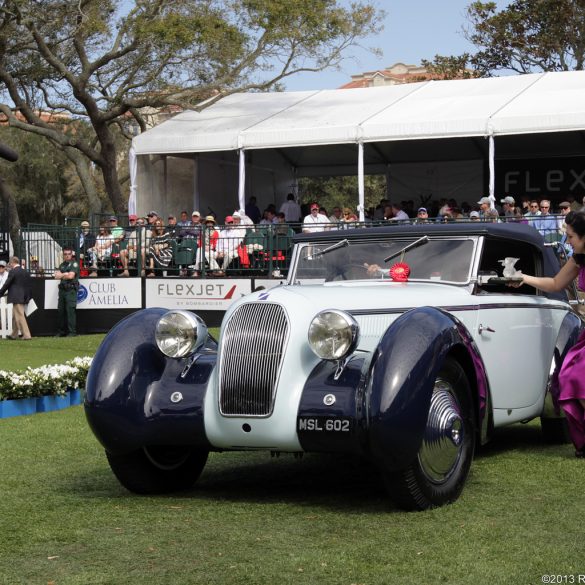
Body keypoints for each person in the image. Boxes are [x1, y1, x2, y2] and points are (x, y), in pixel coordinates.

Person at [510, 210, 585, 457]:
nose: (567, 241)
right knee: (571, 377)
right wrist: (524, 278)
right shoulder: (577, 260)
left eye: (571, 236)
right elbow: (554, 284)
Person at [0, 256, 32, 340]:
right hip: (23, 295)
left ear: (12, 262)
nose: (9, 265)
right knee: (15, 316)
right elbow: (28, 285)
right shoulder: (25, 271)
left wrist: (0, 293)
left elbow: (7, 284)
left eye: (9, 263)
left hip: (16, 296)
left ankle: (27, 335)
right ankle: (14, 334)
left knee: (20, 315)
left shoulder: (13, 272)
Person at [54, 247, 79, 337]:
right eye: (65, 254)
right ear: (63, 255)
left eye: (69, 254)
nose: (67, 255)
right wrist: (65, 274)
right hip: (62, 291)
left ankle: (72, 332)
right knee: (61, 311)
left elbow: (71, 277)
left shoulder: (74, 264)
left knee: (70, 312)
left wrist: (63, 275)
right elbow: (56, 276)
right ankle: (61, 332)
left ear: (72, 254)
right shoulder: (62, 265)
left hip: (70, 291)